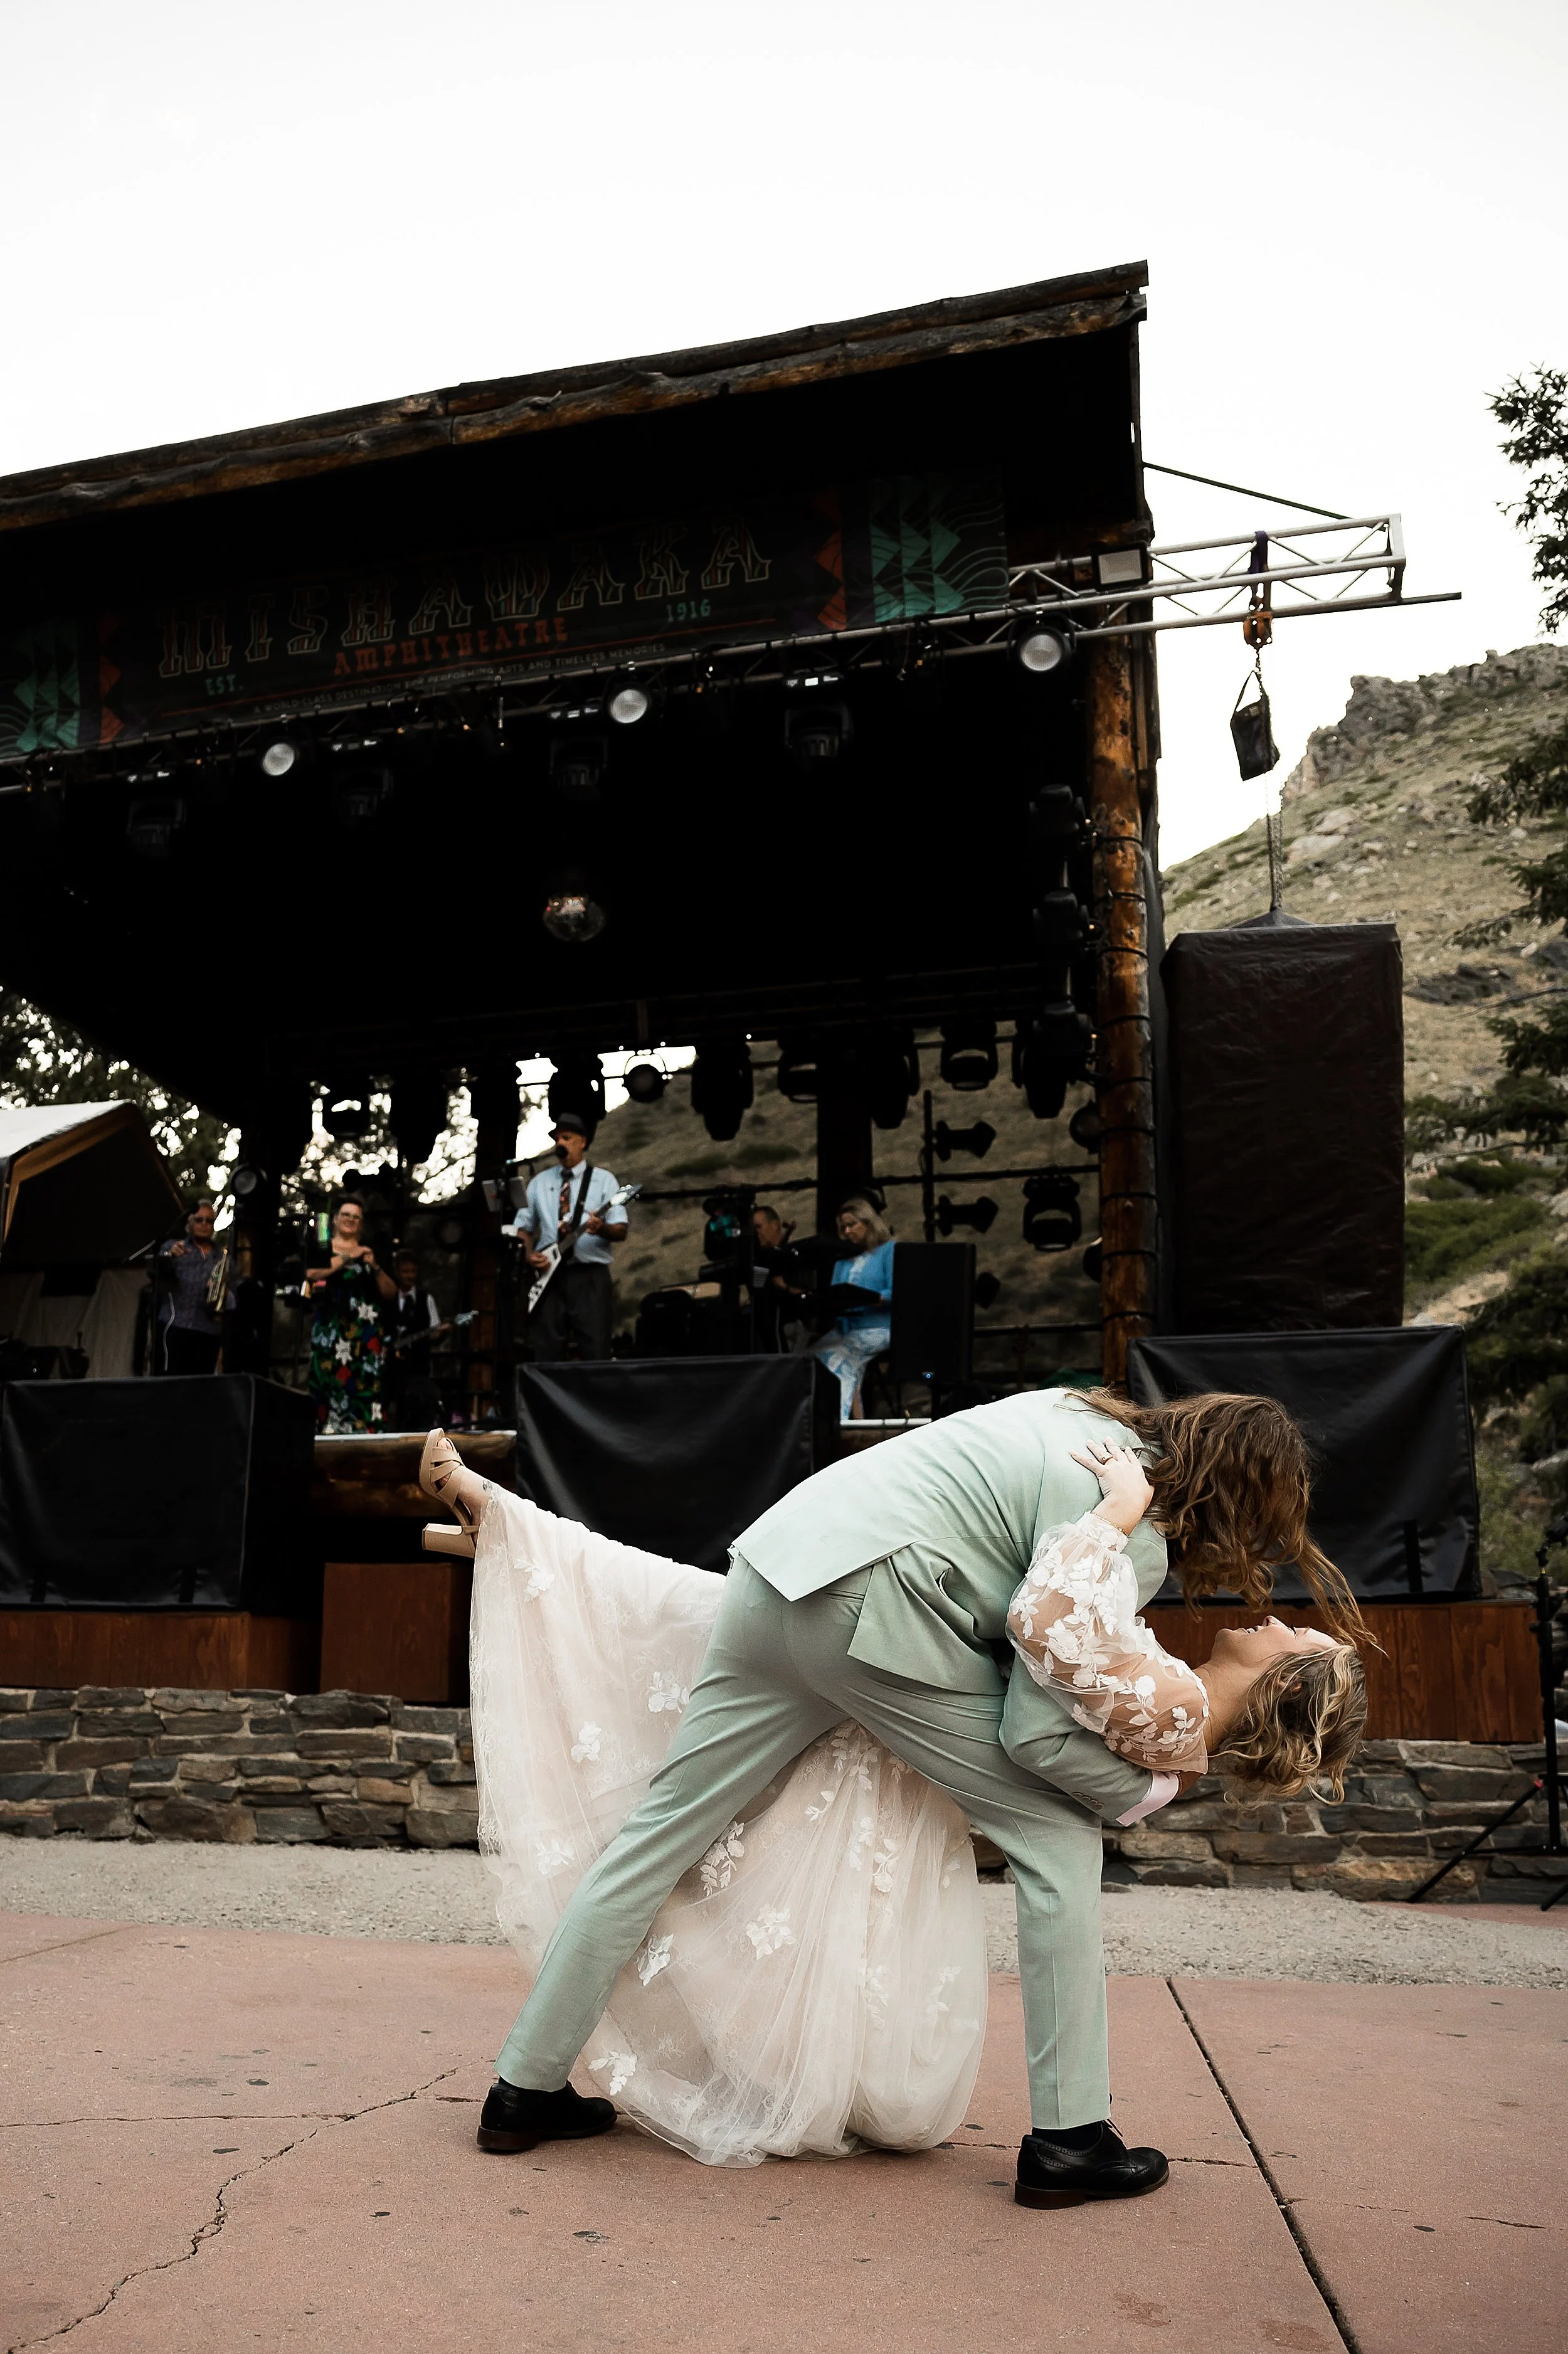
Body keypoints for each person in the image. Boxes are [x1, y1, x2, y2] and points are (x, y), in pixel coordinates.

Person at [427, 1384, 1366, 2200]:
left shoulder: (1066, 1415)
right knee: (1059, 1845)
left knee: (654, 1838)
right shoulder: (1133, 1535)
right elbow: (1033, 1730)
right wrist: (1132, 1791)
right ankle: (1071, 2139)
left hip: (775, 1569)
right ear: (1237, 1500)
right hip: (867, 1613)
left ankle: (526, 2087)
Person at [512, 1113, 628, 1363]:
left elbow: (620, 1229)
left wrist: (602, 1229)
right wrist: (529, 1254)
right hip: (549, 1277)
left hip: (590, 1276)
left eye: (567, 1138)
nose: (560, 1143)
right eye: (557, 1139)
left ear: (582, 1142)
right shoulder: (539, 1182)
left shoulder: (604, 1180)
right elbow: (523, 1227)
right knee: (546, 1349)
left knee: (595, 1347)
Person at [305, 1196, 395, 1432]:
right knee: (329, 1379)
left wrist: (374, 1266)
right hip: (330, 1328)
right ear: (335, 1219)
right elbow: (313, 1274)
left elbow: (391, 1292)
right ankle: (327, 1429)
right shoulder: (323, 1246)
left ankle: (365, 1431)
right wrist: (347, 1257)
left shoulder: (370, 1251)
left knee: (365, 1383)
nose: (351, 1220)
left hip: (364, 1331)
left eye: (356, 1217)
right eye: (346, 1214)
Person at [813, 1194, 894, 1418]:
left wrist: (872, 1298)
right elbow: (835, 1294)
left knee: (837, 1358)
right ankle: (857, 1424)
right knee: (810, 1360)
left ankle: (840, 1427)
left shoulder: (889, 1251)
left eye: (852, 1225)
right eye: (843, 1227)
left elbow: (900, 1291)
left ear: (868, 1223)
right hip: (847, 1328)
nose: (847, 1232)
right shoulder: (842, 1259)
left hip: (879, 1327)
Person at [153, 1199, 235, 1375]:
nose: (205, 1225)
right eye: (199, 1220)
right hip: (176, 1325)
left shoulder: (223, 1257)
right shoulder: (173, 1246)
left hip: (208, 1330)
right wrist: (169, 1256)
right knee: (171, 1380)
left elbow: (234, 1302)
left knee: (201, 1385)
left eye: (209, 1221)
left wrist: (221, 1291)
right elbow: (156, 1274)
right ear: (189, 1222)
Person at [384, 1249, 443, 1433]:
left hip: (418, 1366)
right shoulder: (388, 1297)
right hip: (391, 1368)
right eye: (405, 1272)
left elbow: (435, 1333)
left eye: (413, 1272)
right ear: (397, 1272)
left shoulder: (426, 1299)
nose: (410, 1276)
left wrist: (440, 1331)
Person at [750, 1203, 807, 1351]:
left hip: (789, 1326)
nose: (756, 1234)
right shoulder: (761, 1260)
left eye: (759, 1227)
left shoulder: (794, 1256)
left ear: (775, 1225)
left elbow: (806, 1295)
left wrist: (783, 1286)